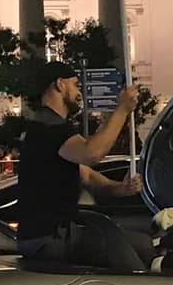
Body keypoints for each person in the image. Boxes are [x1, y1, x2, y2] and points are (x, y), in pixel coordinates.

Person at [16, 60, 143, 261]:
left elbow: (86, 175)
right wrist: (122, 110)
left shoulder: (50, 126)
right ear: (60, 84)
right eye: (75, 85)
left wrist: (119, 188)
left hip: (52, 235)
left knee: (137, 243)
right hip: (51, 237)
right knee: (133, 251)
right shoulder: (48, 127)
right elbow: (91, 154)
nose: (79, 92)